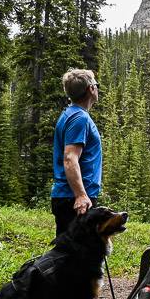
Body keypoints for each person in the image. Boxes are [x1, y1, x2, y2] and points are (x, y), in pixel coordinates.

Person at [51, 68, 102, 237]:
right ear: (90, 89)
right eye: (96, 84)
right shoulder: (79, 118)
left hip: (72, 197)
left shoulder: (71, 115)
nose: (97, 88)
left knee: (73, 256)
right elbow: (70, 159)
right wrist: (80, 195)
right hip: (74, 199)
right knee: (74, 256)